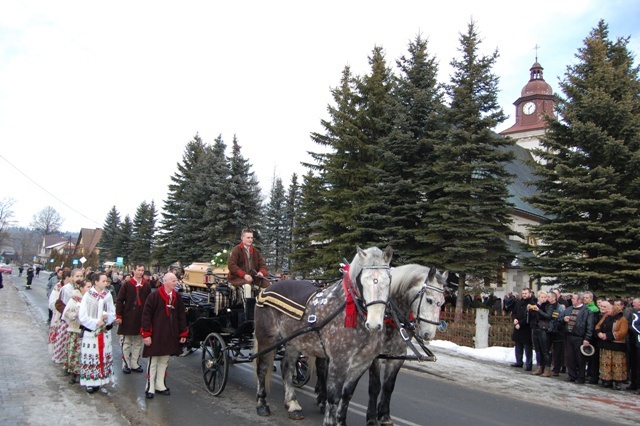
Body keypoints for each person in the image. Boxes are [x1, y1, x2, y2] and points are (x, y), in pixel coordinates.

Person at [140, 272, 188, 399]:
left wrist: (183, 332)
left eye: (176, 280)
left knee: (164, 360)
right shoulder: (154, 296)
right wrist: (146, 334)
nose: (176, 282)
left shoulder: (177, 297)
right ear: (165, 282)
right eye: (173, 281)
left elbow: (181, 315)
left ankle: (160, 384)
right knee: (153, 360)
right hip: (156, 334)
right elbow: (146, 315)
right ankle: (149, 387)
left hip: (169, 334)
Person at [79, 272, 116, 393]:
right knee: (91, 355)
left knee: (103, 354)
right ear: (96, 282)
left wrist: (108, 317)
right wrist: (95, 322)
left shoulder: (107, 295)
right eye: (103, 281)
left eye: (107, 281)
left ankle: (101, 379)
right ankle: (90, 381)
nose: (106, 283)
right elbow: (82, 315)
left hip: (104, 331)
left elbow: (112, 311)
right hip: (92, 331)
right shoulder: (88, 295)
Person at [116, 264, 152, 374]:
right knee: (127, 341)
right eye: (139, 270)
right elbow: (120, 300)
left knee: (138, 341)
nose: (140, 272)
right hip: (128, 316)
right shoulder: (127, 284)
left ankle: (134, 363)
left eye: (142, 270)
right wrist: (119, 315)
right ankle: (126, 363)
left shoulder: (146, 286)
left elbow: (149, 302)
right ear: (134, 271)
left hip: (140, 317)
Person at [62, 279, 92, 384]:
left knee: (83, 353)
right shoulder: (75, 299)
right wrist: (75, 315)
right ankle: (73, 373)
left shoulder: (91, 299)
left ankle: (82, 372)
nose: (90, 289)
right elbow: (67, 312)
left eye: (90, 287)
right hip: (75, 329)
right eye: (88, 287)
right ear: (82, 288)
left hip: (86, 330)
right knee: (74, 352)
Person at [560, 293, 595, 384]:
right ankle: (572, 375)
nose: (571, 299)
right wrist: (563, 319)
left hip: (580, 337)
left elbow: (590, 326)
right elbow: (559, 319)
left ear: (579, 300)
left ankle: (581, 376)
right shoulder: (569, 309)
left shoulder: (587, 311)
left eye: (574, 298)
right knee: (570, 357)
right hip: (569, 336)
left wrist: (587, 338)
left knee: (580, 359)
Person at [595, 301, 629, 390]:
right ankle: (607, 380)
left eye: (609, 309)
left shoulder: (622, 319)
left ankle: (618, 382)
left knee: (617, 365)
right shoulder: (606, 317)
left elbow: (623, 332)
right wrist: (599, 333)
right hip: (605, 344)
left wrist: (609, 336)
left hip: (616, 346)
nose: (608, 311)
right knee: (606, 364)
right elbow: (598, 326)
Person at [227, 229, 269, 298]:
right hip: (238, 278)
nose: (250, 240)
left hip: (254, 278)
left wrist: (261, 272)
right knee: (247, 287)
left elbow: (262, 265)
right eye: (248, 238)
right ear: (242, 238)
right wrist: (244, 275)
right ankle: (247, 308)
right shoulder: (236, 250)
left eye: (252, 238)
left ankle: (262, 307)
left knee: (268, 286)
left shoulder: (256, 251)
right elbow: (231, 265)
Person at [510, 288, 536, 371]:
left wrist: (520, 323)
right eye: (523, 293)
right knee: (518, 346)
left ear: (530, 294)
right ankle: (519, 362)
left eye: (526, 293)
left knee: (527, 347)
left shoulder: (532, 303)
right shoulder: (519, 302)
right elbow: (513, 312)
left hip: (526, 328)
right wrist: (514, 319)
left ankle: (529, 364)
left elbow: (529, 317)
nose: (524, 295)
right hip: (517, 327)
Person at [49, 270, 71, 362]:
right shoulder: (58, 287)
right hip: (58, 313)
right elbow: (52, 301)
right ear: (67, 278)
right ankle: (56, 352)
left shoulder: (73, 288)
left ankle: (64, 354)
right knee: (57, 332)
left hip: (69, 315)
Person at [529, 290, 552, 376]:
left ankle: (547, 368)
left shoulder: (548, 306)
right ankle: (539, 367)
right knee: (537, 350)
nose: (543, 299)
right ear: (538, 298)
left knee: (545, 350)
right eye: (541, 297)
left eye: (545, 297)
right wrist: (529, 310)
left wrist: (538, 310)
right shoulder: (536, 305)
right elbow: (531, 317)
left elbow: (548, 316)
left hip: (543, 329)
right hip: (535, 328)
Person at [546, 291, 565, 376]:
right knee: (548, 350)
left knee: (557, 352)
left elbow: (561, 319)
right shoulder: (547, 306)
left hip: (557, 332)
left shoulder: (560, 307)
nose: (547, 298)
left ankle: (556, 369)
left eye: (549, 296)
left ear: (554, 298)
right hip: (548, 331)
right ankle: (547, 367)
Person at [583, 291, 601, 384]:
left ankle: (593, 376)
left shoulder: (594, 310)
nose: (585, 299)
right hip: (586, 335)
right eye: (584, 297)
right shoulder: (585, 308)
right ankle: (589, 374)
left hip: (592, 337)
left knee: (593, 358)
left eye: (587, 298)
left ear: (591, 299)